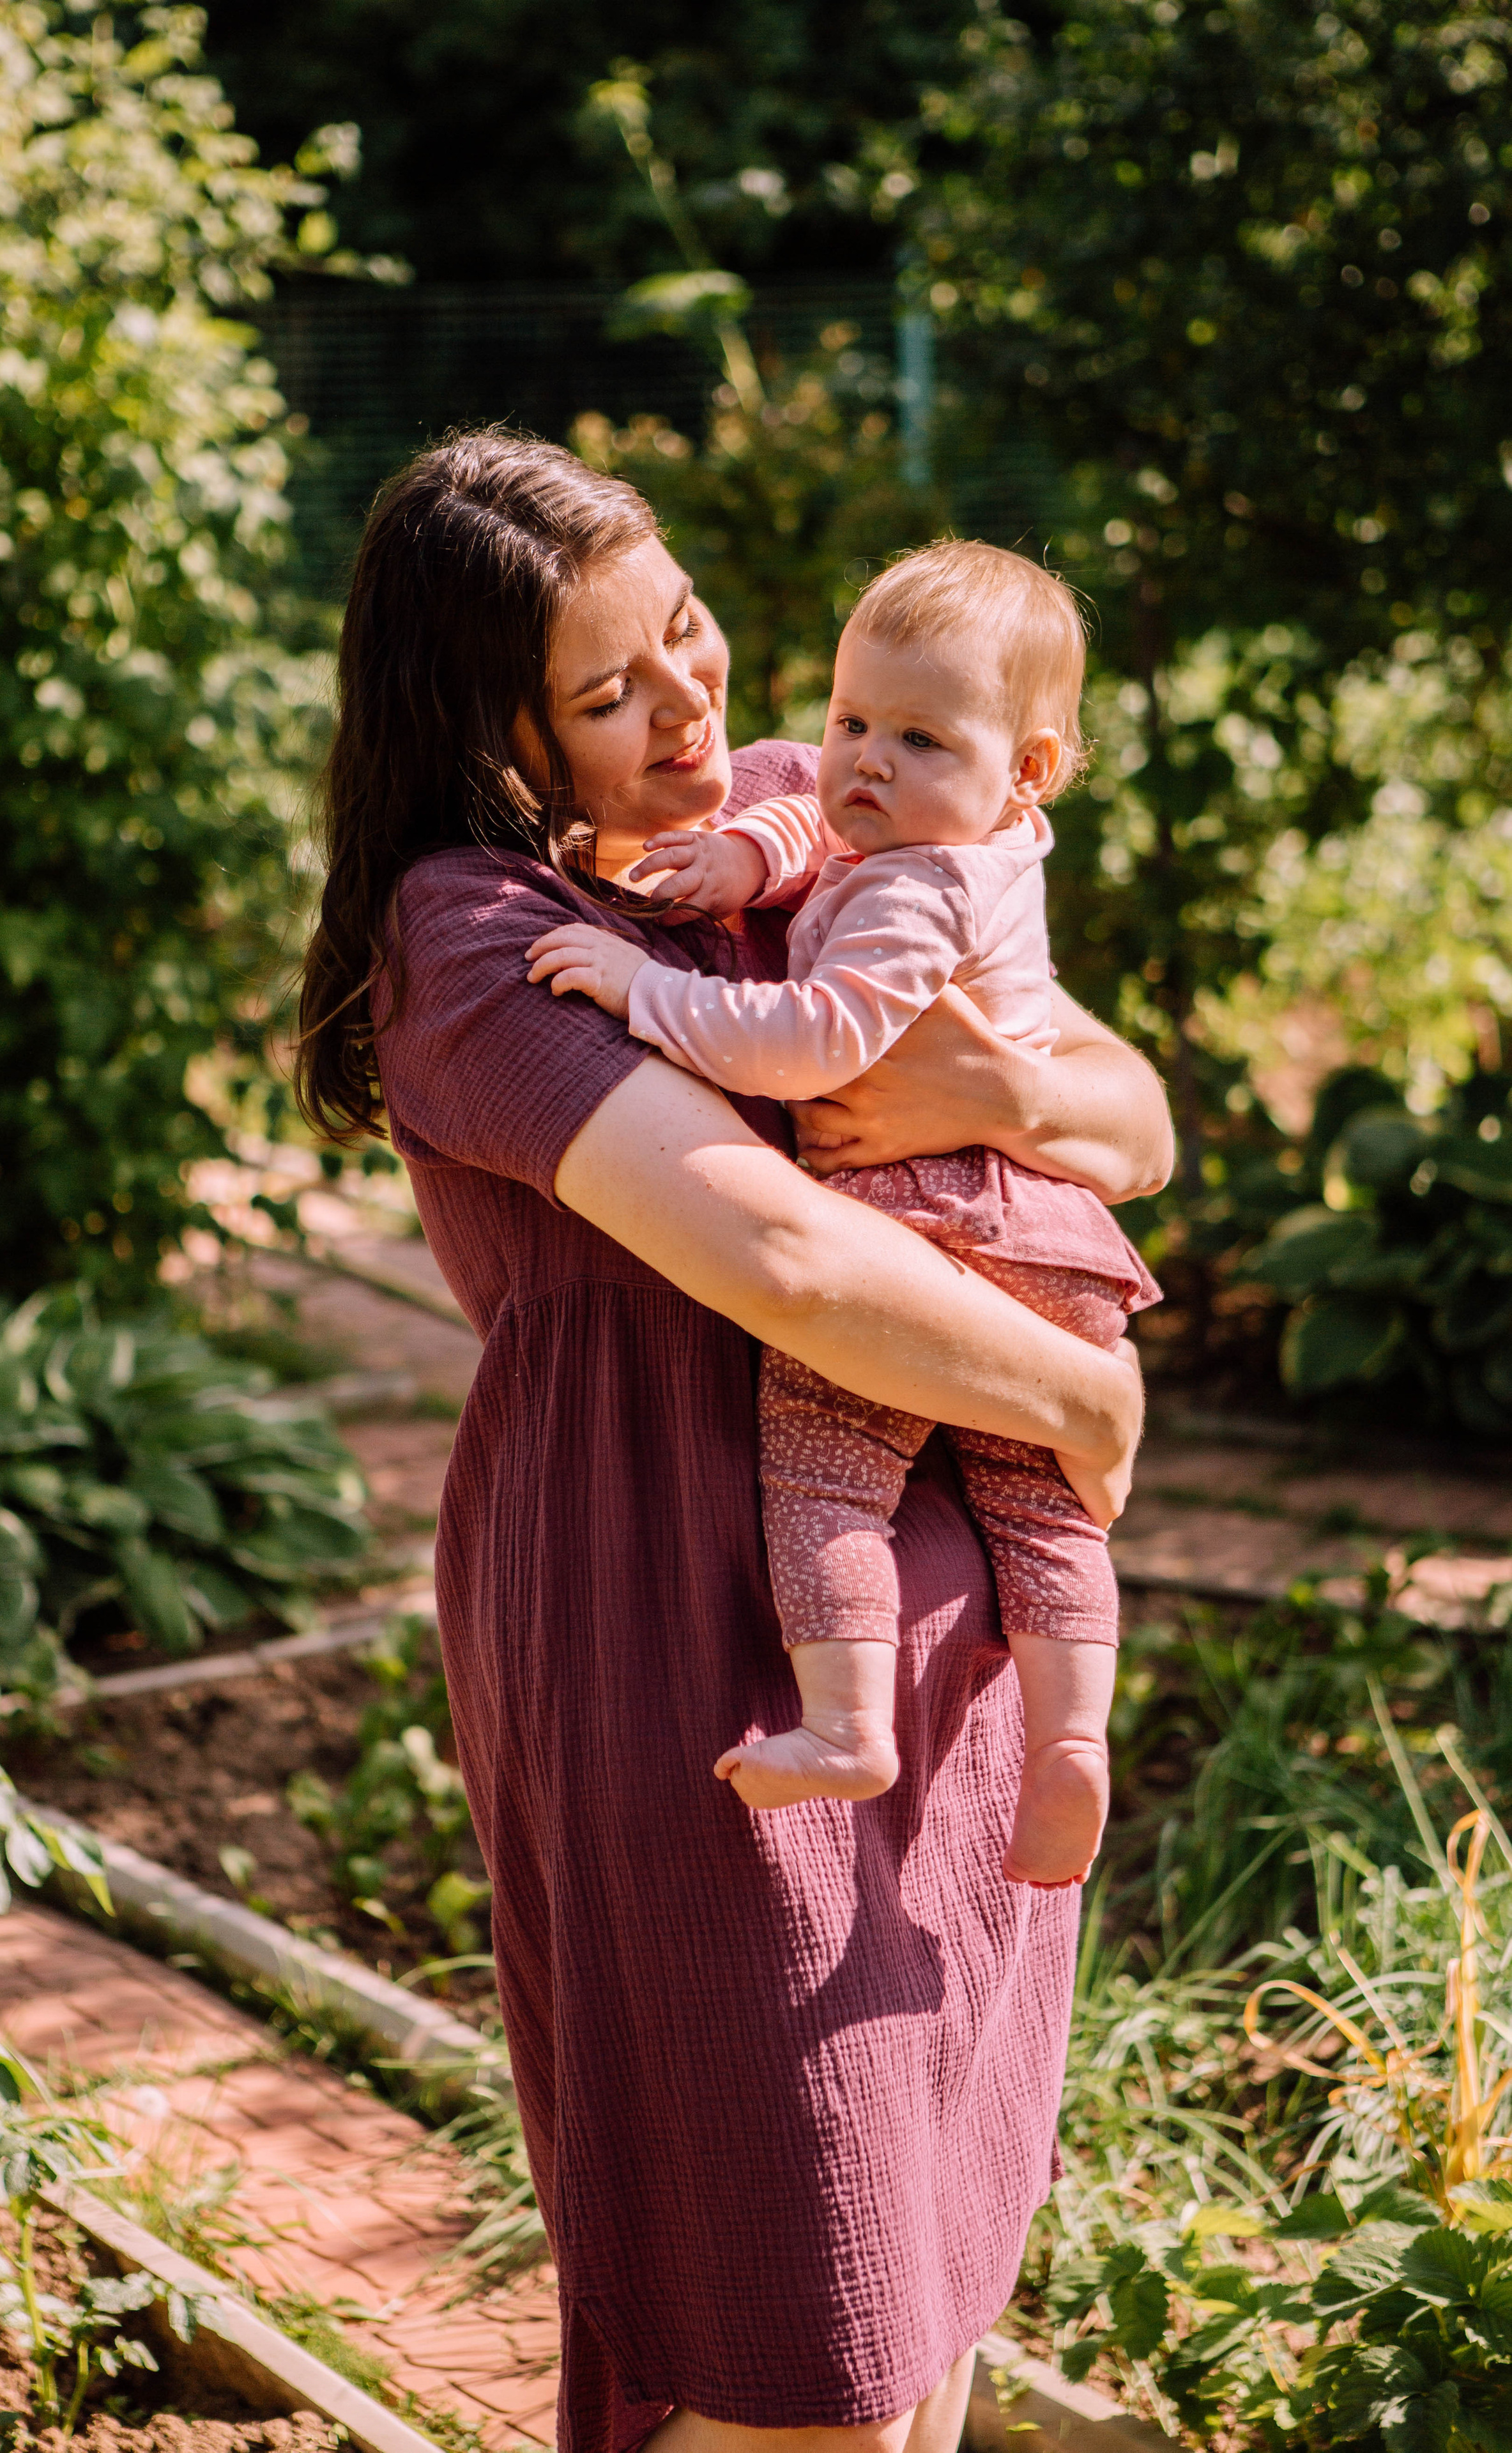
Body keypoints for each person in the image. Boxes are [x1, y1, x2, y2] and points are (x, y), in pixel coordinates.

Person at [294, 432, 1173, 2453]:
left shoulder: (809, 805)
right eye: (611, 694)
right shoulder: (472, 935)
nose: (693, 705)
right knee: (801, 2342)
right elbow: (776, 1253)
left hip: (933, 1640)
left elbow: (1132, 1112)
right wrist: (1080, 1392)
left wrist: (1000, 1094)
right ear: (493, 737)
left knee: (928, 2305)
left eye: (684, 632)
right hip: (675, 1637)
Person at [523, 540, 1159, 1888]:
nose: (865, 762)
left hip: (930, 1220)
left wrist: (645, 990)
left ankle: (846, 1723)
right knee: (1039, 1505)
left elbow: (814, 1042)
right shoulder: (964, 834)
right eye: (850, 720)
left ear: (1029, 768)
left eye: (917, 738)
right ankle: (1071, 1739)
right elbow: (824, 832)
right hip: (1051, 1235)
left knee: (824, 1466)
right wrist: (744, 856)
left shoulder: (922, 891)